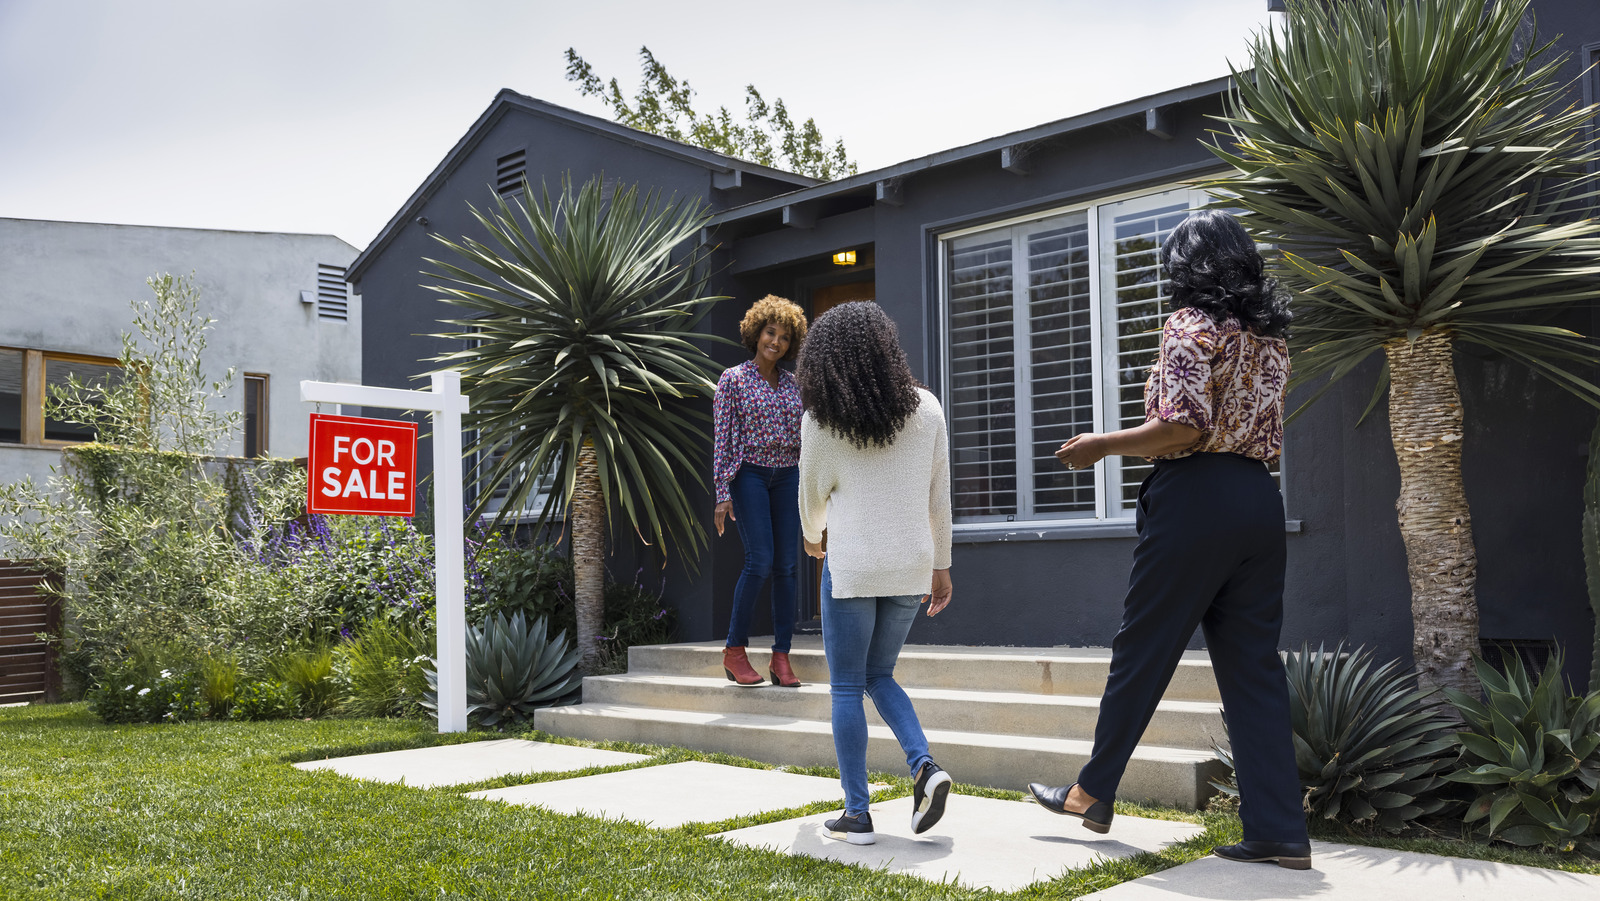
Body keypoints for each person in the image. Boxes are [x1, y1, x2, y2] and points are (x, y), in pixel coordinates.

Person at [1025, 210, 1310, 870]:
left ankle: (1091, 791)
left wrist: (1102, 446)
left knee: (1143, 649)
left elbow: (1183, 427)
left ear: (1188, 266)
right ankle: (1279, 830)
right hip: (1258, 501)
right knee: (1254, 669)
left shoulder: (1189, 325)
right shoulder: (1271, 338)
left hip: (1196, 500)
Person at [795, 301, 955, 846]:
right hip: (911, 564)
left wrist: (814, 540)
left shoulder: (821, 420)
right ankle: (924, 766)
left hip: (854, 568)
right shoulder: (928, 408)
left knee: (846, 686)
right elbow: (940, 500)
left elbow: (811, 500)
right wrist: (942, 565)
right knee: (878, 675)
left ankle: (857, 814)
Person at [712, 295, 809, 688]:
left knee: (788, 565)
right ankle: (735, 651)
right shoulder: (733, 379)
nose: (777, 342)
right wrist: (722, 490)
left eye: (785, 337)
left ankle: (781, 656)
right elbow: (723, 437)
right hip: (749, 473)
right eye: (771, 332)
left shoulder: (793, 383)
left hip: (787, 475)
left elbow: (805, 436)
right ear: (757, 333)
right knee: (761, 561)